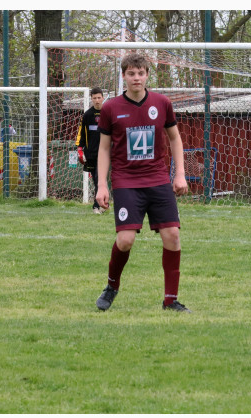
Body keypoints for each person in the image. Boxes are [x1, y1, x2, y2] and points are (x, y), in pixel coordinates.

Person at [95, 53, 190, 313]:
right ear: (124, 76)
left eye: (141, 73)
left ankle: (170, 300)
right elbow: (104, 149)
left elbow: (175, 139)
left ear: (147, 74)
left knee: (172, 235)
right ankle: (112, 286)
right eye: (131, 74)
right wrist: (102, 185)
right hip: (126, 181)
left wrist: (179, 173)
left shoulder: (162, 103)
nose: (136, 78)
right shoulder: (110, 108)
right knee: (125, 240)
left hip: (158, 178)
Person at [76, 87, 105, 214]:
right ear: (91, 99)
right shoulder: (87, 115)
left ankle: (97, 206)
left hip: (105, 153)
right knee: (96, 179)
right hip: (91, 153)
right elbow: (81, 133)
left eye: (99, 97)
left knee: (100, 178)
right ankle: (100, 204)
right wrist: (79, 149)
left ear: (103, 98)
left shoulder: (108, 113)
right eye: (94, 98)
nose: (97, 100)